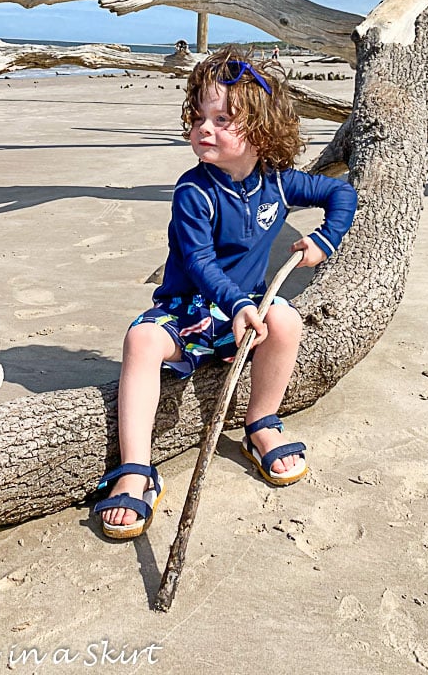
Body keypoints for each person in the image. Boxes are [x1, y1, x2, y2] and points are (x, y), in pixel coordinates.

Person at [93, 46, 358, 539]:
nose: (204, 128)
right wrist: (235, 303)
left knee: (286, 320)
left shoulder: (277, 184)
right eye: (199, 116)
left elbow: (341, 194)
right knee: (141, 341)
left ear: (260, 130)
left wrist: (326, 238)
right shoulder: (193, 192)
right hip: (192, 311)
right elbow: (199, 262)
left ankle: (261, 421)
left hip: (245, 315)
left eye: (222, 119)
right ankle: (135, 468)